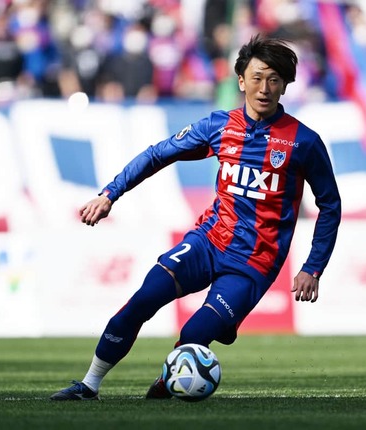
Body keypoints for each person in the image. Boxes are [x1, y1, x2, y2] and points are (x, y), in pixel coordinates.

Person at [50, 34, 342, 401]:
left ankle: (167, 384)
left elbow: (330, 205)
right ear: (241, 81)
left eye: (274, 79)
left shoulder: (303, 141)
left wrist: (313, 267)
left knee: (192, 337)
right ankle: (89, 385)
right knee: (142, 300)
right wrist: (110, 194)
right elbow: (158, 154)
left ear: (285, 85)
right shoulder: (220, 126)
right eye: (256, 77)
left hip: (253, 263)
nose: (265, 88)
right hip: (208, 242)